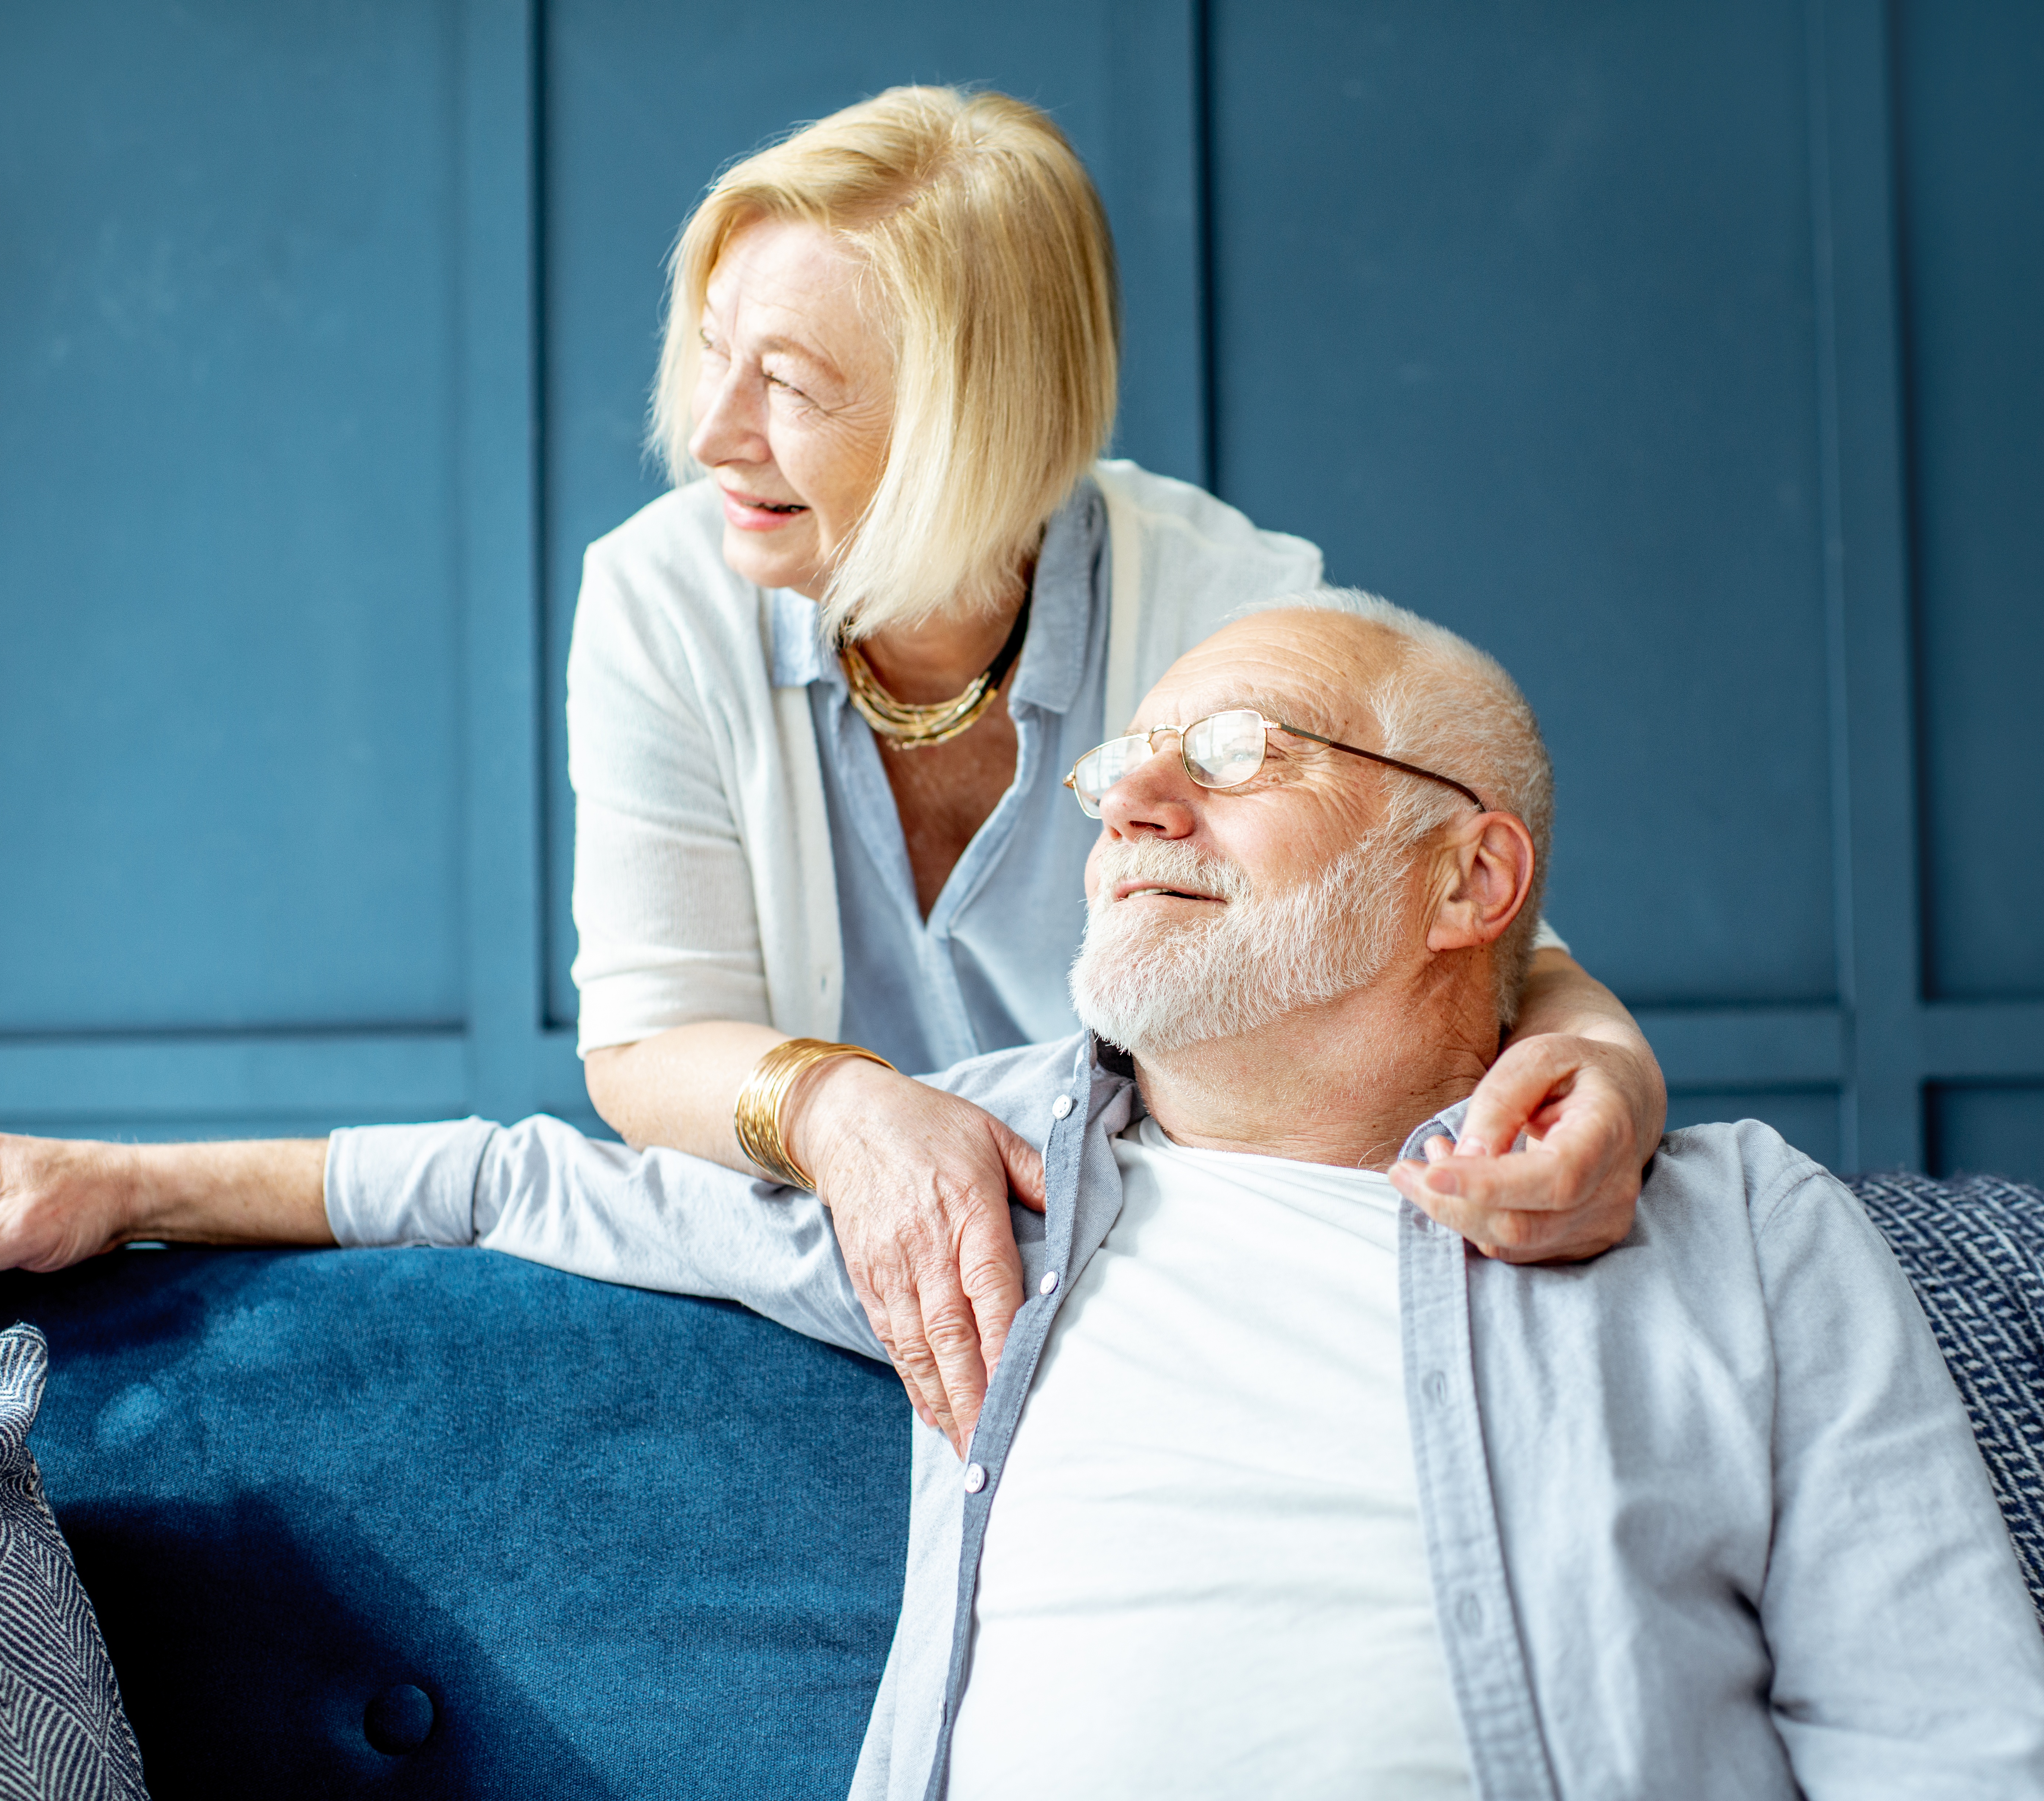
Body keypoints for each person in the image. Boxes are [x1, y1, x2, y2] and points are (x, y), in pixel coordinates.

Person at [0, 595, 2044, 1801]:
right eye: (1122, 767)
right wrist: (118, 1176)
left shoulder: (1740, 1231)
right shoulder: (979, 1165)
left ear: (1467, 873)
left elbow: (1942, 1736)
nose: (1132, 803)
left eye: (1241, 754)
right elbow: (537, 1181)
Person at [559, 84, 1669, 1448]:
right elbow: (646, 1041)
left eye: (786, 383)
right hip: (814, 1299)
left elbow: (1480, 934)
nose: (711, 431)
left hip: (1166, 1303)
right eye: (715, 351)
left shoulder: (1234, 603)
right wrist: (850, 1113)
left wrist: (1615, 1082)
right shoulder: (657, 596)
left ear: (975, 421)